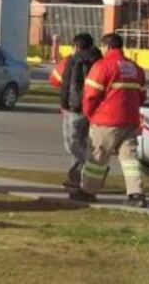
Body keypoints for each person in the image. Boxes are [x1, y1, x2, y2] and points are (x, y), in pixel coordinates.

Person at [70, 33, 148, 207]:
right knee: (130, 160)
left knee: (97, 159)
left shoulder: (102, 66)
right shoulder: (136, 68)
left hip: (106, 121)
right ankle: (137, 195)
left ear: (107, 47)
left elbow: (90, 96)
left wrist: (90, 115)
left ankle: (88, 191)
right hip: (129, 121)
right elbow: (142, 96)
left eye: (103, 47)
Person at [58, 33, 102, 189]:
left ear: (75, 46)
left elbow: (66, 83)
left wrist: (63, 103)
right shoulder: (99, 61)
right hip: (93, 108)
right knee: (82, 142)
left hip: (75, 108)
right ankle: (75, 179)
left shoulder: (74, 59)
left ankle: (93, 166)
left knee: (71, 143)